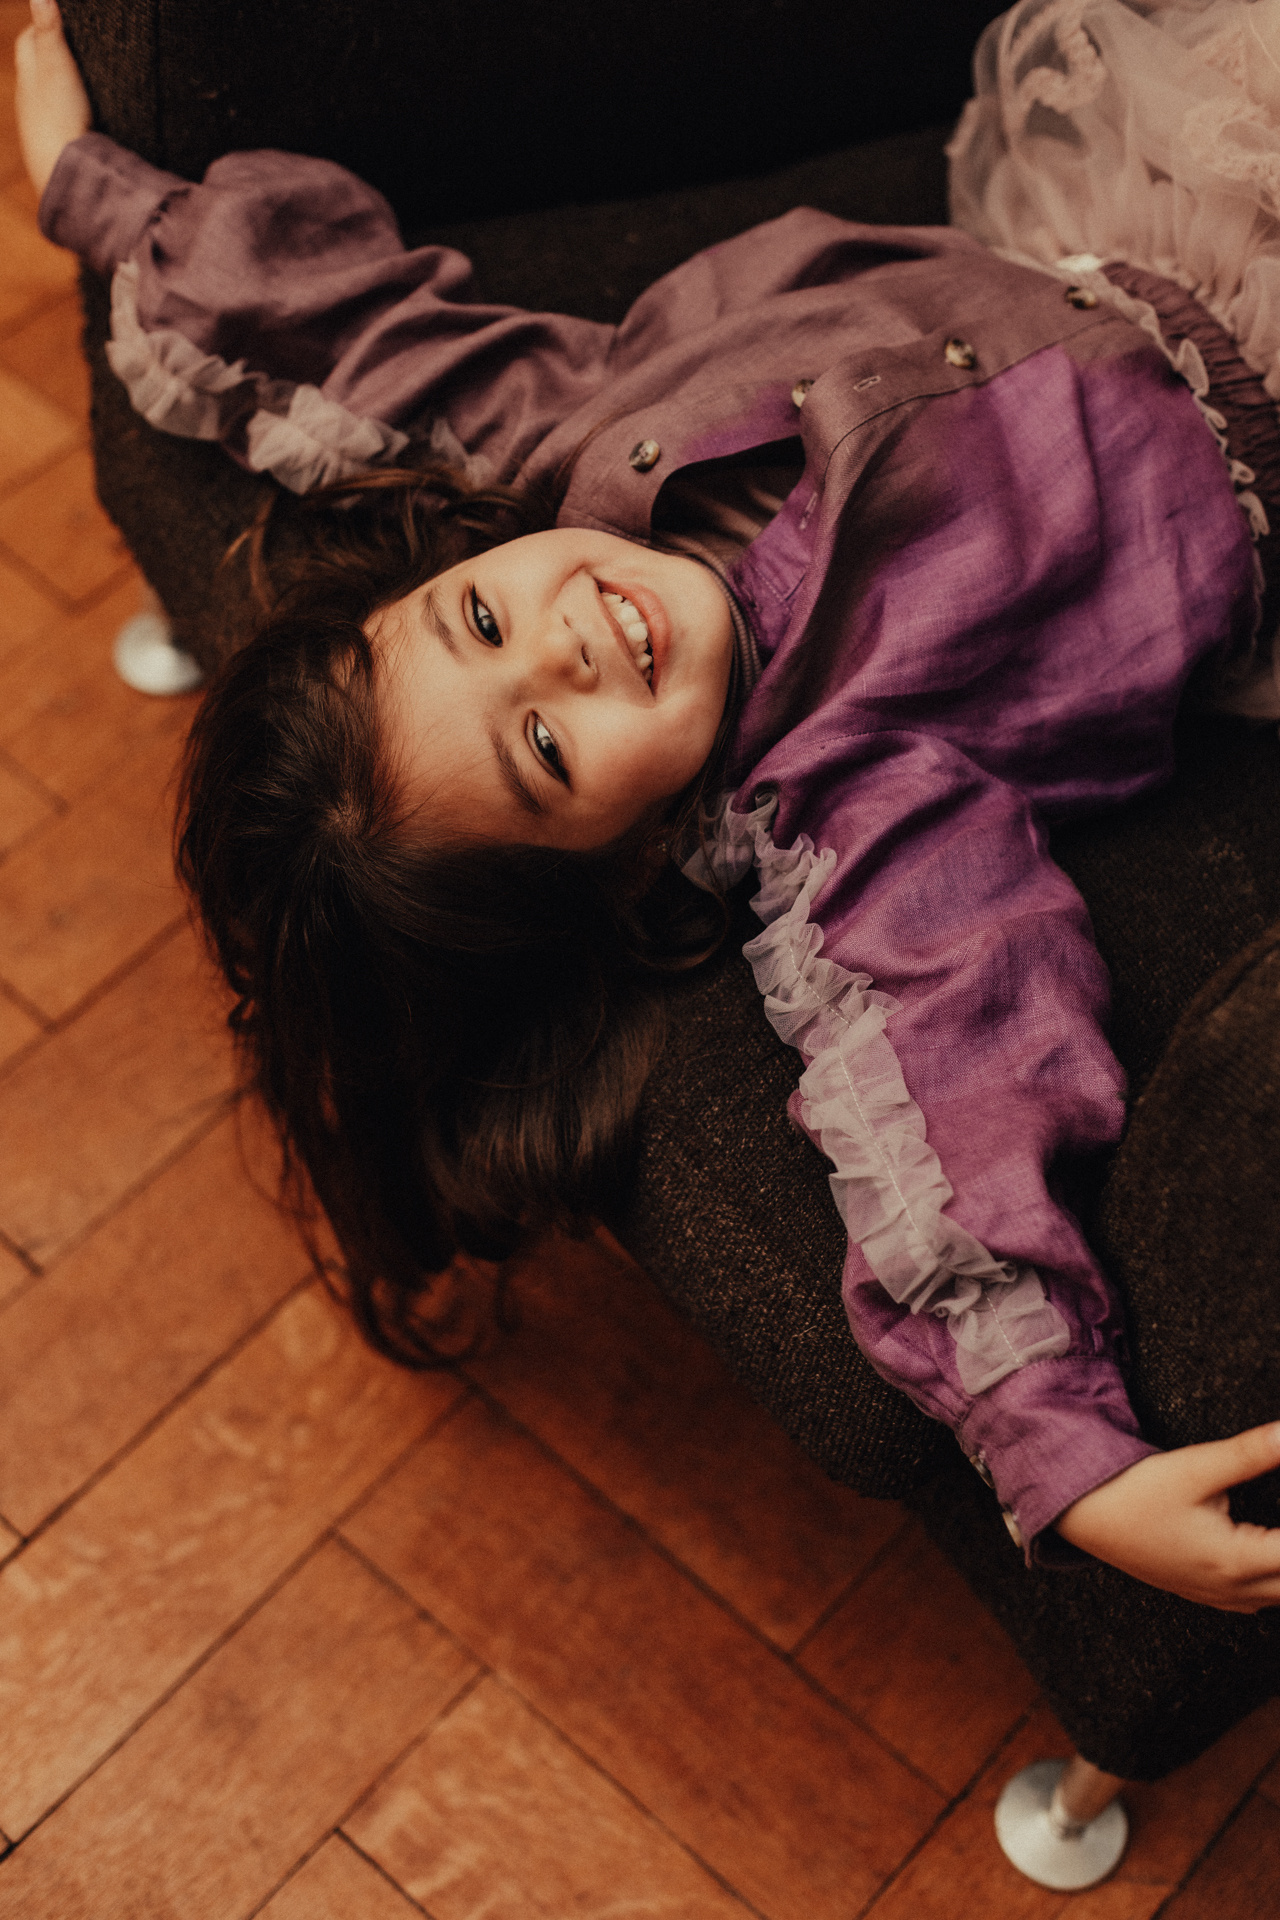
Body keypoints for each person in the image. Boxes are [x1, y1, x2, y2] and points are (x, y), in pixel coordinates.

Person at [16, 0, 1280, 1611]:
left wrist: (91, 188)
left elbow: (339, 338)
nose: (560, 647)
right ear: (618, 862)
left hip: (1137, 206)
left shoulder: (560, 437)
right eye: (546, 751)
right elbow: (945, 1092)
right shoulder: (846, 801)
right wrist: (1067, 1456)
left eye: (482, 622)